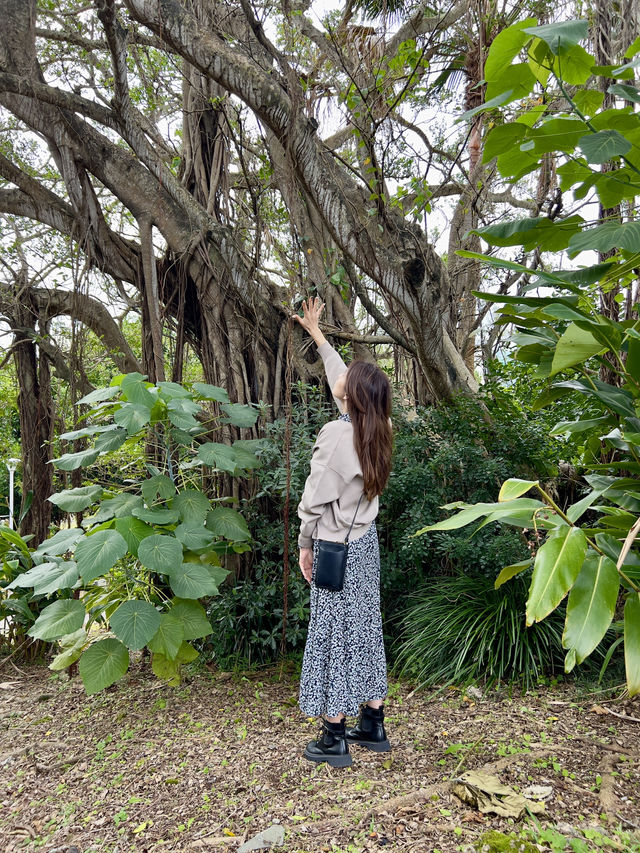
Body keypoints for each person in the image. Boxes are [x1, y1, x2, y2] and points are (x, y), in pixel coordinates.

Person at [293, 296, 393, 768]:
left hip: (334, 549)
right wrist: (316, 333)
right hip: (366, 548)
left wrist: (304, 544)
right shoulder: (380, 427)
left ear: (352, 398)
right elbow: (341, 378)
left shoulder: (337, 436)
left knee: (333, 633)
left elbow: (313, 501)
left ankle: (334, 735)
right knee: (365, 629)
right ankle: (373, 723)